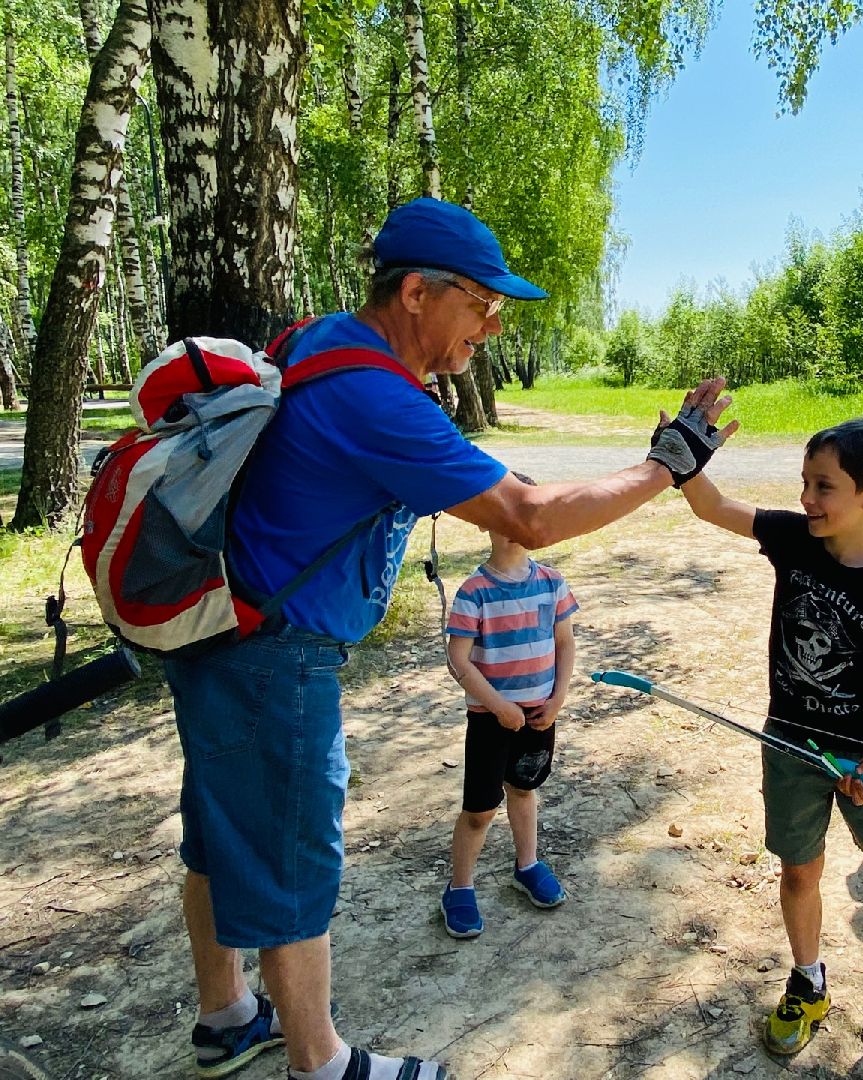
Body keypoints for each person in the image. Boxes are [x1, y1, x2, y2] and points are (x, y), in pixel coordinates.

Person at [165, 197, 736, 1080]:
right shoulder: (373, 395)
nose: (492, 325)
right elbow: (528, 516)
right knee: (287, 847)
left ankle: (227, 1015)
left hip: (222, 631)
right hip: (274, 654)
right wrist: (665, 465)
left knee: (221, 829)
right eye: (483, 302)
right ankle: (319, 1062)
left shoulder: (318, 341)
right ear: (420, 293)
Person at [676, 417, 863, 1056]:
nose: (808, 498)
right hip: (789, 744)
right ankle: (809, 981)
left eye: (824, 486)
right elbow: (711, 506)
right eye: (805, 482)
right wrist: (683, 453)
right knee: (798, 872)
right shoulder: (791, 537)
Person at [439, 472, 576, 937]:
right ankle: (459, 887)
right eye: (505, 515)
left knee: (523, 788)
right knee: (479, 810)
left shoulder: (552, 583)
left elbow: (564, 643)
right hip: (490, 719)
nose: (515, 525)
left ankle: (528, 864)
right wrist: (497, 705)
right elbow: (459, 658)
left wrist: (557, 698)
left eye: (528, 515)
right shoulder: (474, 592)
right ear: (485, 522)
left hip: (540, 715)